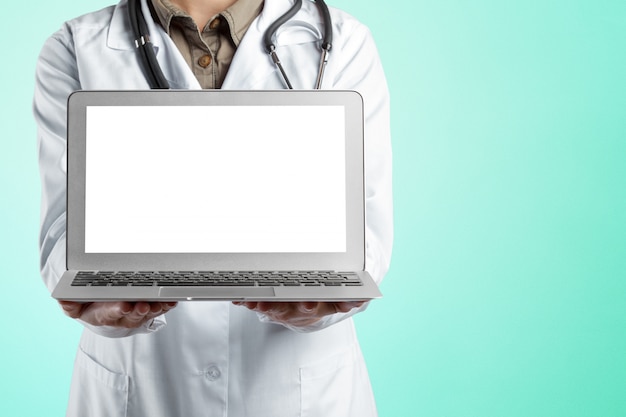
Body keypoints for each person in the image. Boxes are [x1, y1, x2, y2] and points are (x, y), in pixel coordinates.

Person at [34, 0, 393, 415]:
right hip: (139, 386)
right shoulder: (76, 46)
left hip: (298, 390)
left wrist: (320, 301)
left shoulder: (344, 42)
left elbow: (366, 239)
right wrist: (98, 300)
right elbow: (62, 237)